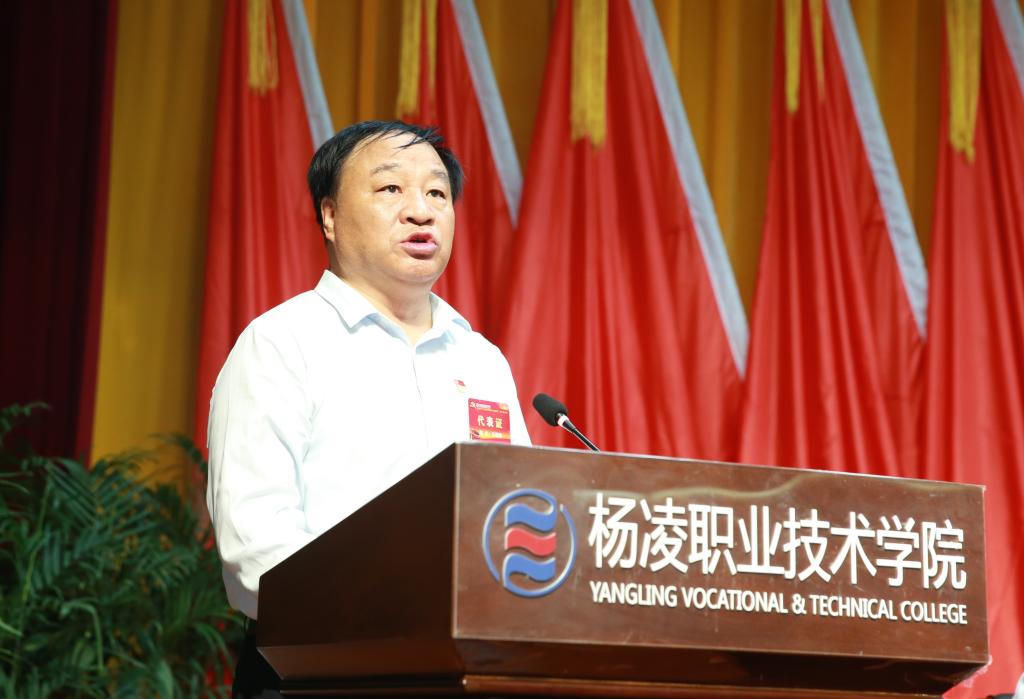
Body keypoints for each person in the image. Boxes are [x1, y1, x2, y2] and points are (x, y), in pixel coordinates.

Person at [205, 120, 531, 698]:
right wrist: (396, 615)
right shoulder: (281, 343)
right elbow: (256, 544)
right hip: (315, 671)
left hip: (464, 673)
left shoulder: (481, 360)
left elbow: (520, 515)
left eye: (437, 193)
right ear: (329, 215)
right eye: (390, 189)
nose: (421, 211)